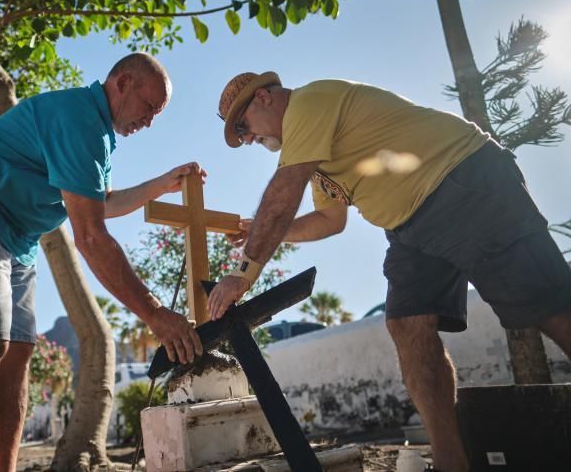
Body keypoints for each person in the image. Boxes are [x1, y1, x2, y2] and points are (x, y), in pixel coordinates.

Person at [207, 71, 571, 472]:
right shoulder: (312, 153)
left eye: (242, 127)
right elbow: (330, 221)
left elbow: (282, 194)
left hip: (462, 181)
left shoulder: (309, 104)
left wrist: (243, 272)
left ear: (264, 97)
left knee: (548, 305)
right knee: (407, 324)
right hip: (410, 228)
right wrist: (259, 232)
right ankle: (452, 462)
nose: (246, 139)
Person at [0, 53, 203, 472]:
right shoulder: (79, 118)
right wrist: (155, 313)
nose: (151, 120)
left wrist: (161, 184)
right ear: (122, 83)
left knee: (17, 354)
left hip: (18, 238)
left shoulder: (100, 135)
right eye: (149, 107)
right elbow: (89, 236)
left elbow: (100, 202)